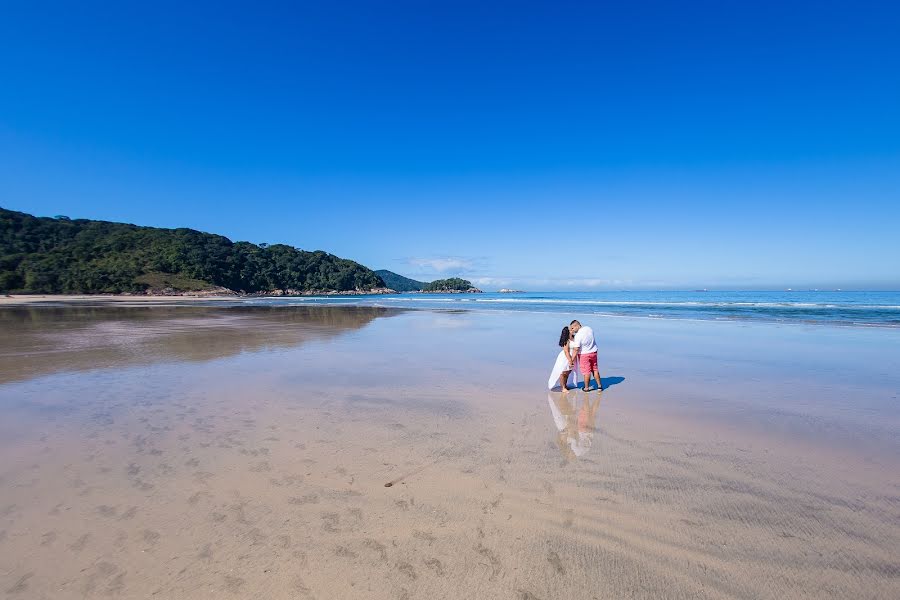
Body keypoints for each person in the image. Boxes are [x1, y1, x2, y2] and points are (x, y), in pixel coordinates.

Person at [569, 320, 601, 392]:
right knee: (595, 369)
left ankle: (586, 387)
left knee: (586, 372)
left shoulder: (578, 335)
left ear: (577, 326)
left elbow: (576, 349)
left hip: (584, 355)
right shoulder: (589, 328)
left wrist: (571, 360)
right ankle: (599, 386)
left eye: (572, 328)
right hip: (594, 352)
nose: (572, 330)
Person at [548, 326, 579, 392]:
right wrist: (570, 360)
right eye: (571, 329)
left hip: (573, 357)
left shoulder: (574, 338)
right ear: (568, 332)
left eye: (572, 329)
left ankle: (565, 385)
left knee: (568, 371)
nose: (572, 330)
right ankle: (563, 387)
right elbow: (566, 351)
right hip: (566, 357)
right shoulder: (567, 340)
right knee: (564, 372)